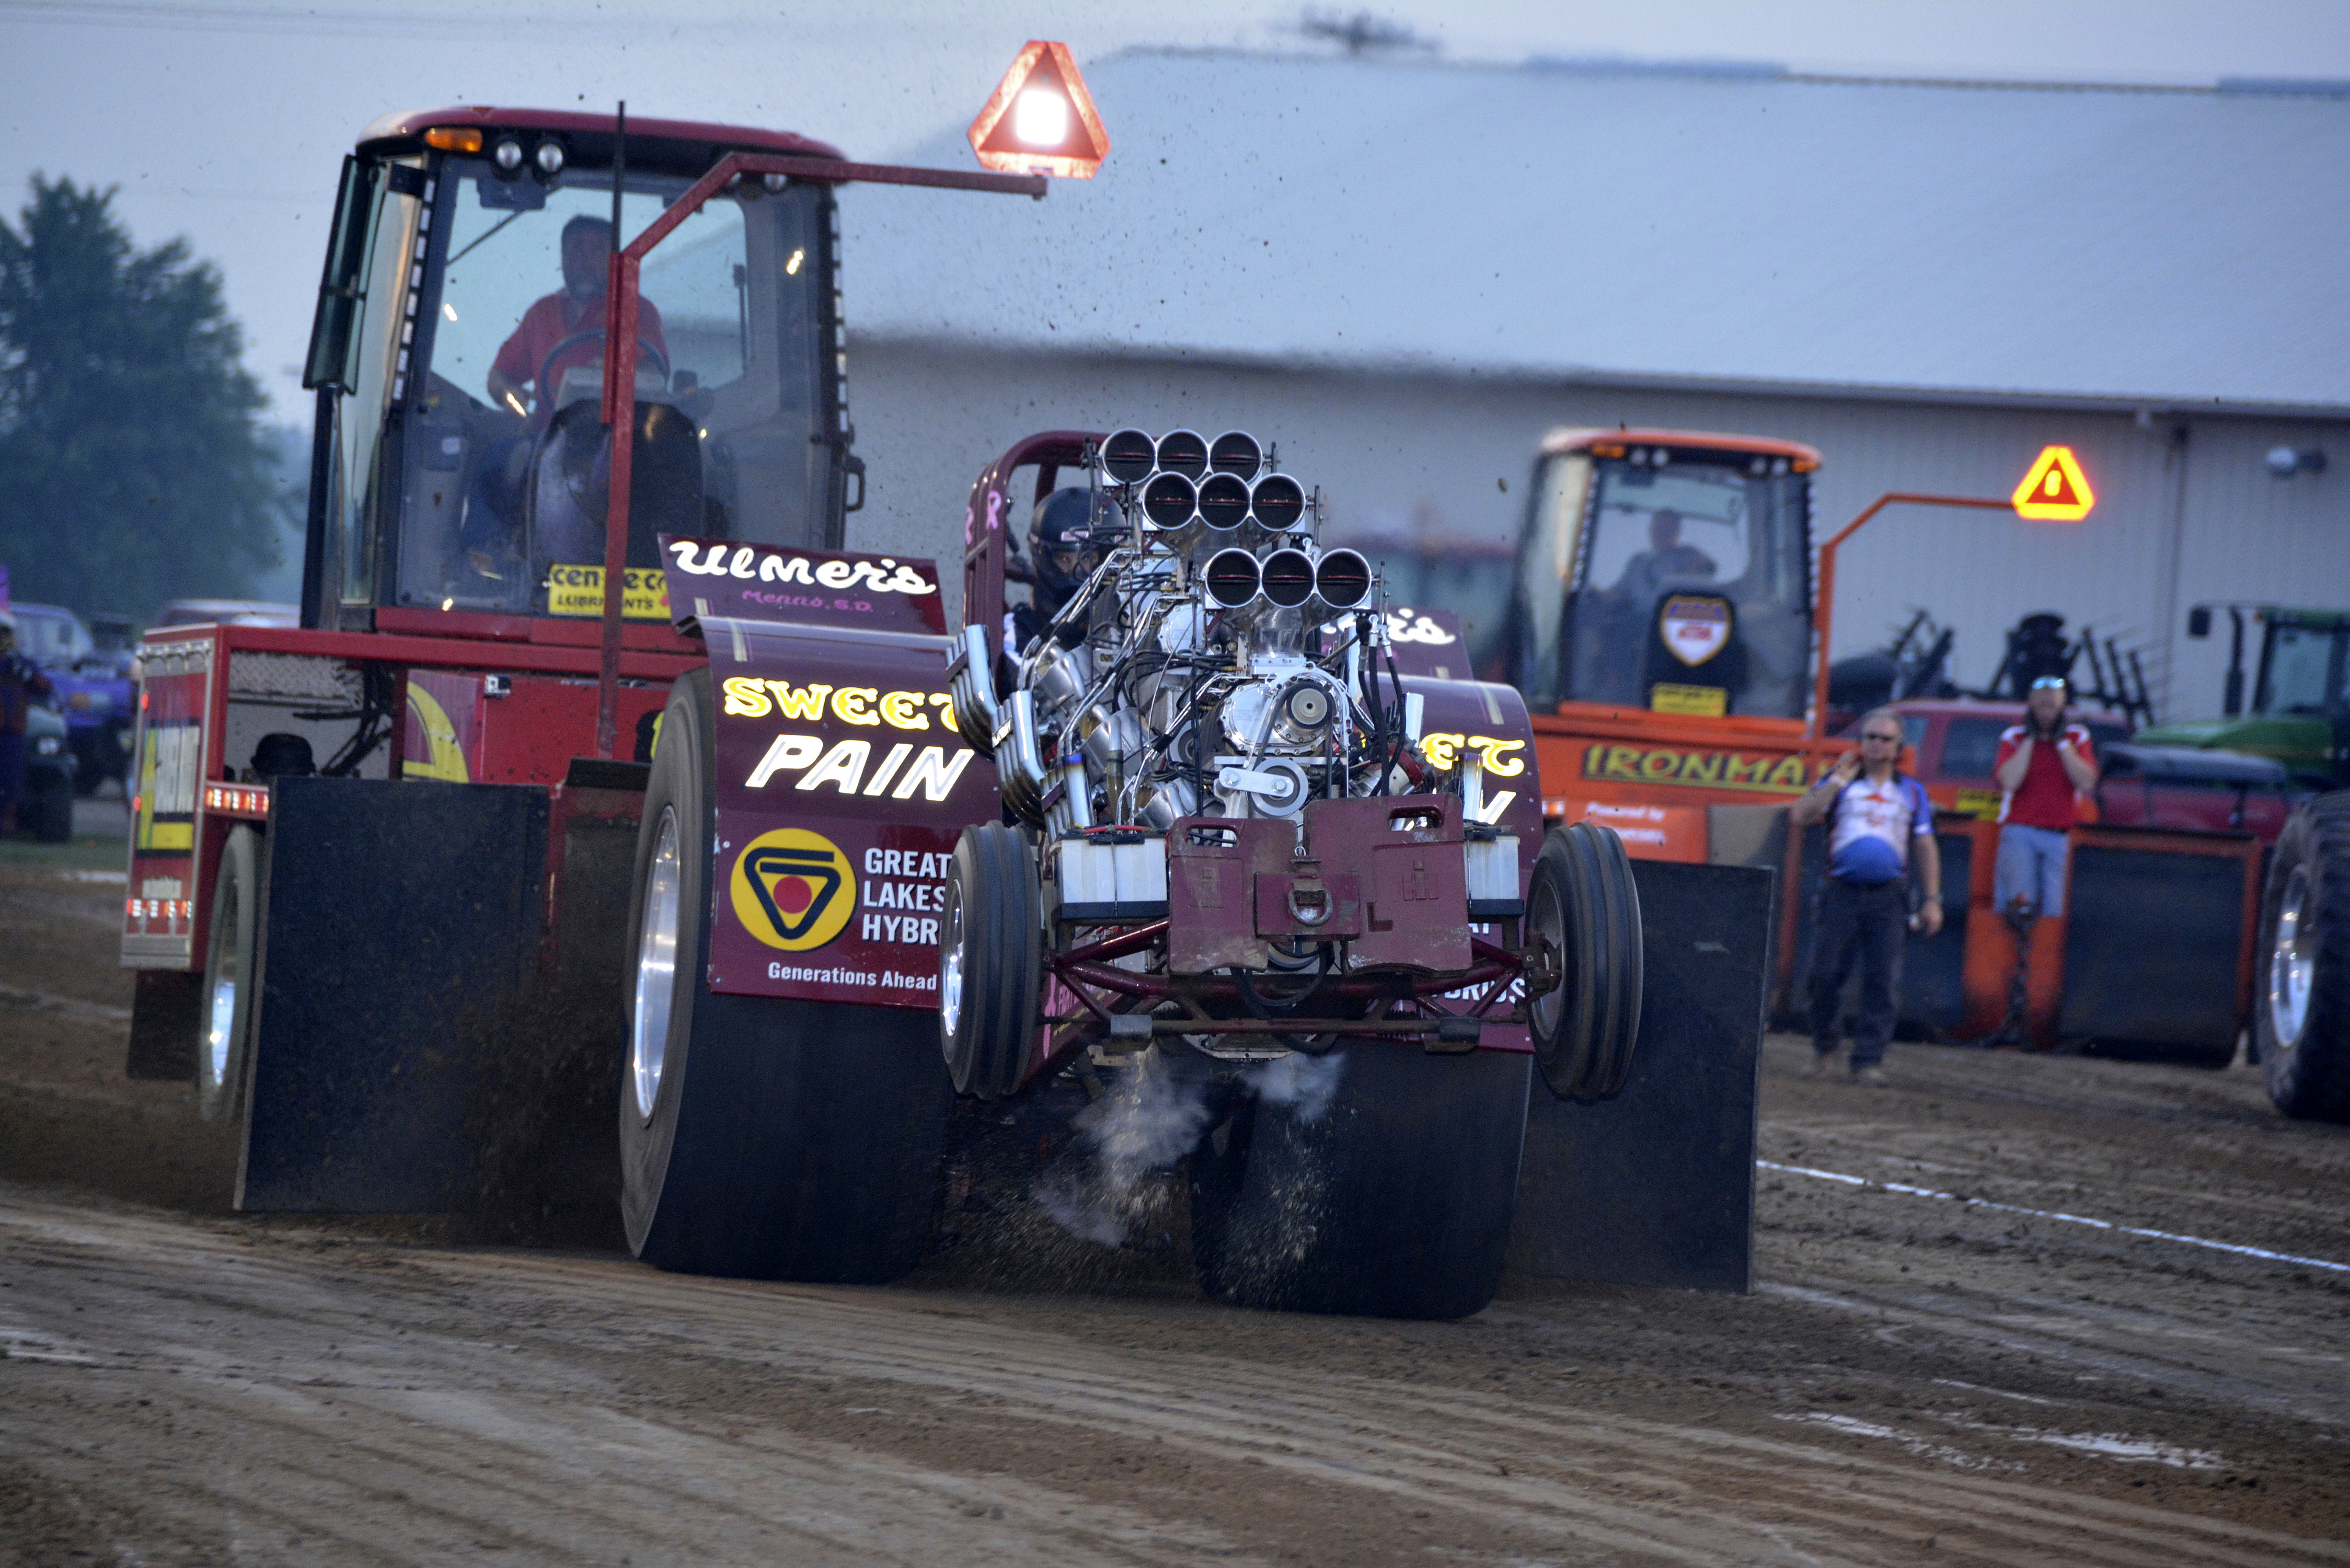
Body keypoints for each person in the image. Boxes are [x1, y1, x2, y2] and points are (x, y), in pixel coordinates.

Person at [463, 215, 670, 572]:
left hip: (619, 442)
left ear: (614, 259)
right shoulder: (541, 314)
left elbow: (655, 373)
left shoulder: (638, 311)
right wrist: (510, 392)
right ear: (562, 258)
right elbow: (498, 376)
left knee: (665, 475)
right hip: (549, 439)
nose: (584, 261)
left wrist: (610, 373)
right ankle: (484, 565)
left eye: (595, 251)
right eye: (575, 251)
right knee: (500, 460)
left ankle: (657, 567)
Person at [1790, 707, 1942, 1085]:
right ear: (1860, 743)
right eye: (1871, 737)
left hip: (1889, 896)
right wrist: (1836, 783)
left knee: (1883, 979)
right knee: (1823, 974)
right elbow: (1801, 813)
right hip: (1840, 891)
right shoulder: (1841, 782)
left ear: (1898, 747)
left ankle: (1868, 1061)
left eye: (1885, 739)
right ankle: (1825, 1047)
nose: (1877, 745)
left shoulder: (1911, 791)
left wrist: (1933, 898)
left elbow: (1925, 845)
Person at [1992, 674, 2098, 919]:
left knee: (2056, 909)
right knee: (2019, 906)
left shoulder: (2077, 737)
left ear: (2062, 707)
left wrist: (2061, 743)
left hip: (2060, 835)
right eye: (2041, 706)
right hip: (2021, 831)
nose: (2046, 713)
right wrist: (2031, 739)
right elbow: (2008, 781)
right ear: (2031, 707)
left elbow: (2086, 781)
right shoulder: (2014, 738)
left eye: (2052, 706)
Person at [1007, 488, 1103, 654]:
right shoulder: (1016, 631)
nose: (1077, 570)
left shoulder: (1133, 626)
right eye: (1064, 559)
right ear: (1044, 560)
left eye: (1087, 559)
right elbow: (1021, 674)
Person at [0, 614, 56, 835]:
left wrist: (28, 674)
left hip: (13, 732)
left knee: (10, 781)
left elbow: (45, 687)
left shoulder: (20, 665)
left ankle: (6, 823)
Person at [1615, 508, 1717, 609]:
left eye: (1669, 529)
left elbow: (1709, 568)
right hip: (1638, 622)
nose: (1664, 533)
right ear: (1651, 531)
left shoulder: (1689, 555)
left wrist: (1697, 569)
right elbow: (1617, 593)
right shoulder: (1638, 561)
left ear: (1677, 533)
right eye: (1660, 528)